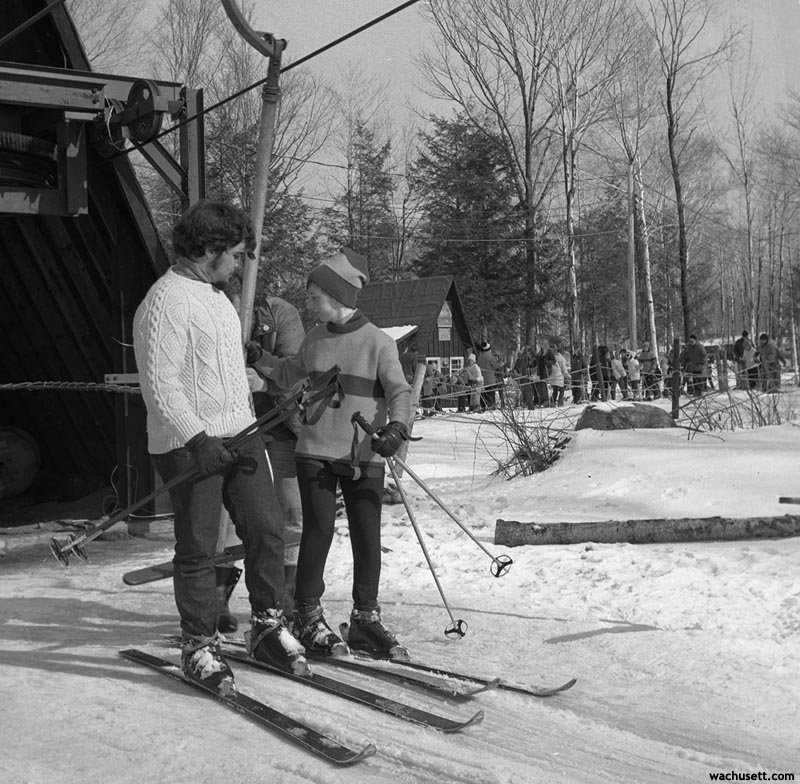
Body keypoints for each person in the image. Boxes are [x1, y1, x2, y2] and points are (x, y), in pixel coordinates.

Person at [132, 199, 307, 695]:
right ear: (207, 250)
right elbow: (161, 387)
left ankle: (268, 628)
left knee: (266, 530)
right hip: (191, 444)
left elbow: (228, 378)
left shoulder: (218, 299)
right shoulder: (164, 303)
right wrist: (198, 437)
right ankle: (199, 644)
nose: (239, 264)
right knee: (199, 546)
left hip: (242, 435)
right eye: (233, 254)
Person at [247, 248, 412, 658]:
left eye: (314, 296)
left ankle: (365, 619)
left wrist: (397, 429)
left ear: (338, 298)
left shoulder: (377, 343)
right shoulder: (315, 340)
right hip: (315, 451)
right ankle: (306, 613)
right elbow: (287, 376)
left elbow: (400, 393)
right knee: (317, 532)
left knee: (366, 537)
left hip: (364, 455)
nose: (308, 303)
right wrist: (259, 362)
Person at [245, 296, 307, 621]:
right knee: (235, 515)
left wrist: (263, 381)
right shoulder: (215, 308)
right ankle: (216, 598)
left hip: (283, 421)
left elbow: (294, 374)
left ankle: (288, 599)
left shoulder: (283, 315)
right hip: (238, 423)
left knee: (292, 509)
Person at [476, 340, 499, 411]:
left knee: (483, 393)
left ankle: (483, 406)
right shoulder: (491, 357)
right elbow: (495, 366)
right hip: (490, 379)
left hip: (481, 379)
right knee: (491, 393)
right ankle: (491, 405)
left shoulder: (479, 358)